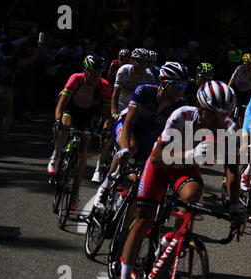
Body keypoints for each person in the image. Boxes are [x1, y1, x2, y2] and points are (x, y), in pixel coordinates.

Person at [114, 80, 245, 279]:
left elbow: (232, 169)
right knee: (144, 219)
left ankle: (173, 238)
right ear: (202, 109)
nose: (220, 120)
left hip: (183, 170)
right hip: (160, 166)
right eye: (215, 114)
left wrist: (234, 206)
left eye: (225, 114)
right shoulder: (182, 115)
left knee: (194, 193)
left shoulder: (228, 127)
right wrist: (192, 155)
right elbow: (157, 159)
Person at [93, 62, 189, 209]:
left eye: (183, 86)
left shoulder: (180, 105)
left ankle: (125, 198)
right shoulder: (144, 91)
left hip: (150, 135)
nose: (180, 90)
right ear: (163, 82)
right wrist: (124, 148)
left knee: (144, 174)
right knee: (130, 148)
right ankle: (105, 186)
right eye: (176, 85)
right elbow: (129, 123)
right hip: (127, 126)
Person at [47, 55, 112, 211]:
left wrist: (105, 129)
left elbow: (107, 113)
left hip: (88, 114)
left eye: (99, 72)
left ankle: (75, 194)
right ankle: (55, 156)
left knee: (83, 151)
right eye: (93, 72)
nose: (96, 76)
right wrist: (57, 120)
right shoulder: (75, 79)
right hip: (71, 108)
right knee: (65, 125)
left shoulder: (104, 86)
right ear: (85, 70)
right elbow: (61, 105)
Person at [92, 48, 155, 183]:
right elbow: (114, 95)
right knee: (108, 136)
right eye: (140, 61)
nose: (143, 64)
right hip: (120, 105)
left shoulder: (149, 77)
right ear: (133, 61)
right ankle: (98, 168)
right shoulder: (124, 71)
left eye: (145, 62)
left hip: (135, 109)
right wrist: (114, 113)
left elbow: (148, 101)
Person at [0, 41, 18, 142]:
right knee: (7, 113)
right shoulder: (14, 61)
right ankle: (4, 135)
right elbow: (30, 61)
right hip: (7, 88)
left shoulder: (0, 60)